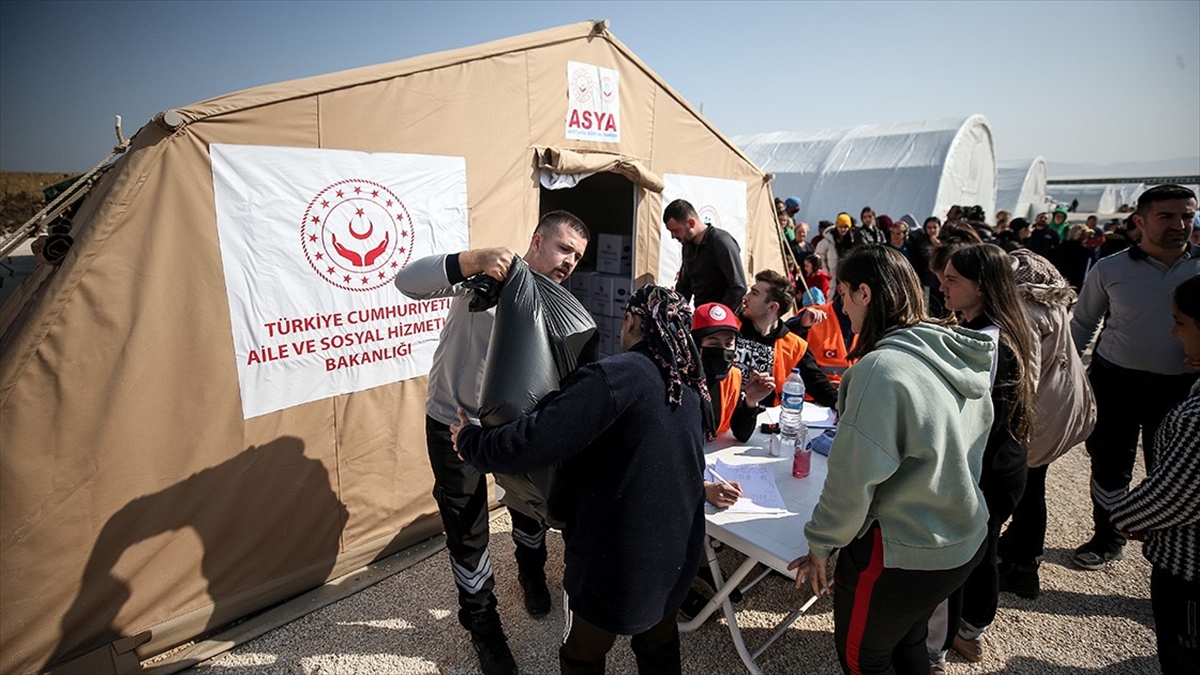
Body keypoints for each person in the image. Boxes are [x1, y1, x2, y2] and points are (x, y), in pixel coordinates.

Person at [452, 285, 711, 674]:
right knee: (658, 642)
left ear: (631, 321)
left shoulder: (618, 376)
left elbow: (534, 440)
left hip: (615, 561)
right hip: (679, 550)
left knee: (582, 654)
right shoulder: (688, 380)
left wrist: (471, 441)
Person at [394, 210, 590, 674]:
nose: (569, 262)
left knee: (528, 507)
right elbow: (407, 281)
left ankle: (531, 572)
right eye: (564, 248)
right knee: (467, 528)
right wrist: (472, 259)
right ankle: (483, 625)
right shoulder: (482, 281)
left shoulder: (556, 301)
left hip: (514, 434)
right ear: (537, 240)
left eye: (578, 257)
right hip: (451, 424)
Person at [789, 245, 992, 675]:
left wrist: (820, 546)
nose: (838, 305)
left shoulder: (881, 369)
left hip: (901, 552)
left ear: (864, 293)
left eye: (842, 293)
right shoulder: (951, 350)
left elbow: (852, 480)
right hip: (960, 537)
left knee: (864, 658)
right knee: (908, 643)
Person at [1070, 184, 1200, 571]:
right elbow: (1083, 323)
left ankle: (1169, 546)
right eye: (1167, 216)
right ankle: (1107, 536)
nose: (1180, 224)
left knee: (1171, 469)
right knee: (1109, 463)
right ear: (1140, 221)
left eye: (1187, 216)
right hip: (1116, 382)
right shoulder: (1111, 268)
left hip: (1180, 389)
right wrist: (1066, 373)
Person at [937, 244, 1036, 665]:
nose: (942, 286)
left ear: (982, 286)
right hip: (1006, 463)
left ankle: (948, 639)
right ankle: (971, 629)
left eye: (952, 280)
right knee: (982, 550)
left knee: (963, 558)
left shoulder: (984, 341)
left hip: (987, 468)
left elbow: (966, 417)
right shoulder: (1007, 329)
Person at [1111, 275, 1200, 675]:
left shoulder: (1196, 421)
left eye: (1181, 322)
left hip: (1189, 573)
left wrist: (1126, 517)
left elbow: (1173, 496)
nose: (1172, 331)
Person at [997, 249, 1096, 600]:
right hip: (1063, 404)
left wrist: (1010, 428)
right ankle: (1019, 549)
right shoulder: (1050, 300)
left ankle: (1023, 567)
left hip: (1040, 413)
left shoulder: (1024, 310)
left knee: (1026, 490)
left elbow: (1027, 377)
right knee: (1033, 486)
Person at [736, 269, 840, 409]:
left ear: (772, 307)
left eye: (754, 293)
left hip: (765, 421)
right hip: (723, 415)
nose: (745, 297)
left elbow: (816, 382)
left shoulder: (794, 346)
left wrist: (839, 405)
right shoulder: (730, 327)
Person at [692, 302, 774, 442]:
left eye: (729, 344)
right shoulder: (678, 378)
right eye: (713, 344)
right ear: (695, 345)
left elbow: (741, 434)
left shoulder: (733, 376)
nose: (723, 350)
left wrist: (751, 401)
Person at [663, 198, 747, 310]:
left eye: (676, 230)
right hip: (702, 317)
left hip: (724, 320)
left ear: (691, 223)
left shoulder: (721, 242)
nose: (673, 236)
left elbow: (738, 287)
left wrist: (719, 317)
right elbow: (684, 287)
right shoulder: (688, 247)